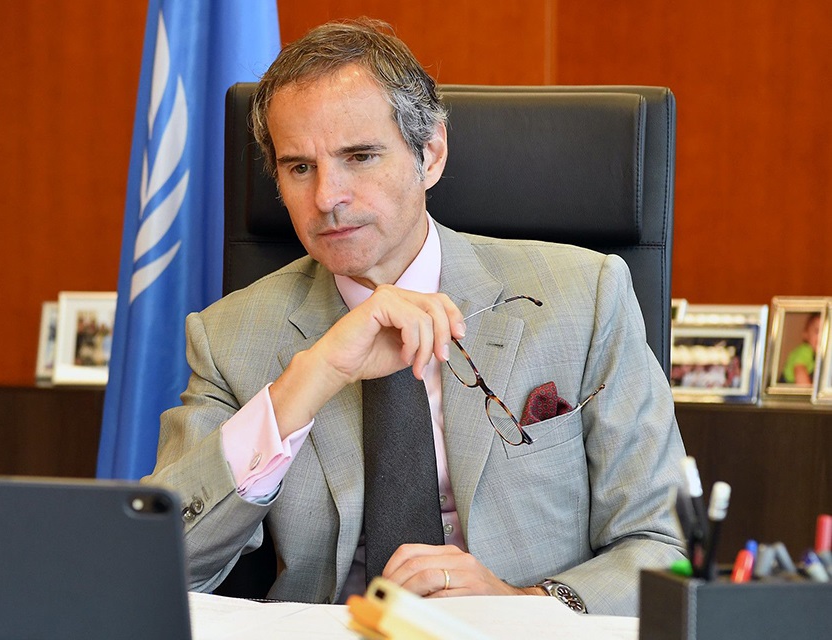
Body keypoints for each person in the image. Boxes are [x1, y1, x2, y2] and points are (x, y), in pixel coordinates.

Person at [145, 18, 685, 616]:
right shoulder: (230, 337)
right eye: (299, 168)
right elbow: (156, 564)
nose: (327, 197)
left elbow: (663, 545)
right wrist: (313, 376)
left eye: (359, 156)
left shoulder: (583, 296)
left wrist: (526, 604)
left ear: (429, 155)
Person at [782, 312, 822, 384]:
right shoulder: (805, 350)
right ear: (806, 334)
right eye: (817, 331)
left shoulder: (820, 358)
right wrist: (808, 390)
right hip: (788, 387)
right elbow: (800, 371)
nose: (822, 336)